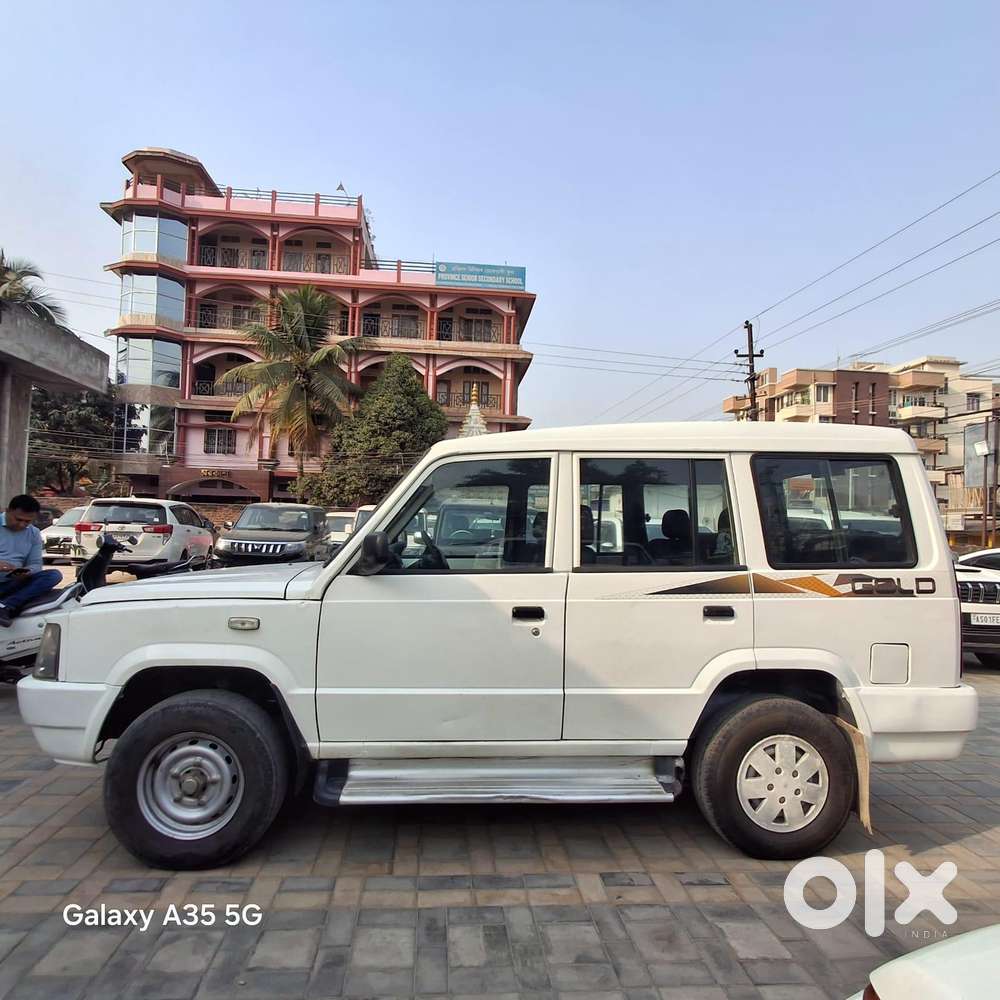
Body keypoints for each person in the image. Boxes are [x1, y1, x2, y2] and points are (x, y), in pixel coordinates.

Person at [0, 495, 63, 627]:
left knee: (54, 575)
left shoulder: (33, 533)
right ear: (8, 511)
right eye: (18, 519)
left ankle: (5, 606)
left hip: (12, 582)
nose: (22, 524)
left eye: (27, 521)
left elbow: (35, 564)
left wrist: (28, 571)